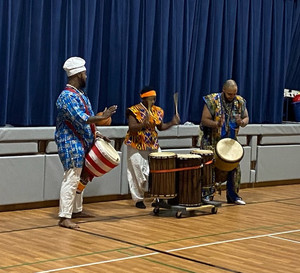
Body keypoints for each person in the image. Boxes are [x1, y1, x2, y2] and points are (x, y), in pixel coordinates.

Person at [55, 56, 117, 229]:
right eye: (84, 73)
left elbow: (88, 122)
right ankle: (64, 216)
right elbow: (81, 119)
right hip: (70, 142)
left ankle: (76, 210)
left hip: (82, 140)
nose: (86, 77)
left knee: (82, 177)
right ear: (78, 75)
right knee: (72, 177)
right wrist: (102, 117)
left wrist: (98, 134)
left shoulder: (81, 95)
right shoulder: (66, 96)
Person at [124, 86, 180, 209]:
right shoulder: (134, 110)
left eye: (154, 99)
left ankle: (158, 198)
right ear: (143, 99)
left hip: (153, 145)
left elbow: (160, 127)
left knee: (157, 172)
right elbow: (132, 128)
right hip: (136, 145)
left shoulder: (157, 111)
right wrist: (142, 124)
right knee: (138, 175)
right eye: (150, 99)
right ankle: (138, 199)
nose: (153, 102)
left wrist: (172, 122)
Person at [200, 79, 249, 205]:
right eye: (229, 94)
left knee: (235, 165)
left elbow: (246, 117)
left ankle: (233, 196)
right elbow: (204, 120)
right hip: (212, 141)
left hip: (230, 142)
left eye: (234, 94)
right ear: (223, 90)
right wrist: (217, 124)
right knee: (209, 164)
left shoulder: (240, 101)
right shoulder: (212, 100)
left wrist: (242, 122)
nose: (232, 97)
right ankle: (207, 195)